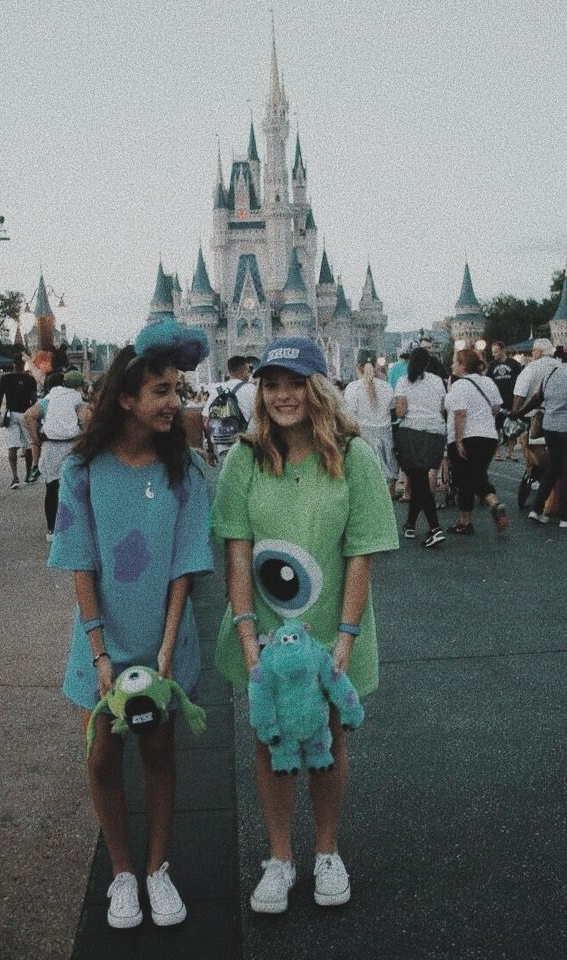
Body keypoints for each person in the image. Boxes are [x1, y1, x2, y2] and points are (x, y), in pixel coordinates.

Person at [211, 336, 398, 914]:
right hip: (263, 625)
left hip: (331, 625)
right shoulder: (244, 458)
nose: (282, 396)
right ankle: (279, 857)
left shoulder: (354, 458)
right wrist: (247, 637)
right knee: (271, 738)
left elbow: (360, 553)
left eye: (295, 384)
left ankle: (326, 852)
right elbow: (238, 553)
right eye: (271, 385)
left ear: (317, 388)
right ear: (259, 391)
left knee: (327, 738)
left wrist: (345, 639)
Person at [48, 320, 213, 930]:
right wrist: (98, 653)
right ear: (126, 397)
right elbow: (80, 563)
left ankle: (157, 869)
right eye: (162, 392)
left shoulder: (187, 470)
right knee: (101, 757)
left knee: (159, 751)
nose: (175, 402)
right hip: (101, 640)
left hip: (164, 637)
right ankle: (122, 874)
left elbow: (186, 563)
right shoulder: (83, 472)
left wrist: (167, 647)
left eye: (177, 390)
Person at [445, 348, 508, 534]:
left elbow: (460, 414)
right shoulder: (488, 382)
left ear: (463, 365)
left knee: (464, 478)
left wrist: (458, 441)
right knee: (477, 475)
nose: (452, 365)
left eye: (455, 362)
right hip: (488, 436)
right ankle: (493, 504)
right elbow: (497, 407)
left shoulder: (459, 385)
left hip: (467, 436)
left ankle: (468, 519)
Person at [24, 370, 90, 542]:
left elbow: (29, 415)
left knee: (51, 488)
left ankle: (51, 529)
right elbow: (85, 420)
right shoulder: (77, 399)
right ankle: (75, 526)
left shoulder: (49, 399)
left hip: (50, 446)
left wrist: (35, 439)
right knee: (74, 487)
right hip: (72, 445)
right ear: (79, 386)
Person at [393, 348, 447, 547]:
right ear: (428, 363)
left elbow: (401, 411)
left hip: (412, 433)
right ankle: (410, 524)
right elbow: (442, 409)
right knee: (420, 479)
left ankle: (435, 528)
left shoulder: (403, 381)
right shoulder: (438, 381)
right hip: (435, 432)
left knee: (419, 480)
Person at [513, 351, 567, 528]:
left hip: (550, 428)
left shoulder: (552, 373)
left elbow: (537, 398)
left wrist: (519, 412)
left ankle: (536, 509)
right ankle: (565, 518)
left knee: (554, 468)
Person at [343, 351, 398, 498]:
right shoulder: (386, 387)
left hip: (362, 438)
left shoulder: (352, 388)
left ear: (357, 366)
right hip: (385, 439)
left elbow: (350, 416)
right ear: (375, 366)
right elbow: (392, 411)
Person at [202, 355, 256, 463]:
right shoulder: (252, 390)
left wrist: (210, 451)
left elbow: (206, 422)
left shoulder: (217, 390)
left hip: (223, 446)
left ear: (230, 371)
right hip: (247, 446)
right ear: (245, 371)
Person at [0, 355, 38, 489]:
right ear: (23, 364)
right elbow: (34, 400)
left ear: (13, 364)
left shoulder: (5, 378)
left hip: (11, 413)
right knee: (28, 445)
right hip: (25, 413)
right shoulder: (30, 379)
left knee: (12, 446)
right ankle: (28, 474)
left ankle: (15, 477)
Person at [486, 341, 521, 460]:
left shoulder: (514, 364)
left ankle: (511, 452)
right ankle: (497, 452)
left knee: (512, 427)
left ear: (502, 350)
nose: (494, 354)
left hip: (511, 399)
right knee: (497, 427)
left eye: (496, 352)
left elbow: (521, 381)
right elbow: (487, 383)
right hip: (496, 401)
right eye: (492, 352)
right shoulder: (491, 366)